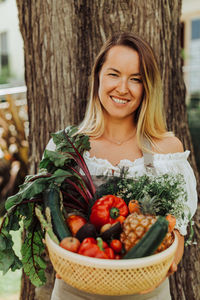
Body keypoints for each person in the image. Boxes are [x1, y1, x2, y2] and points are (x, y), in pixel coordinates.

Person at [47, 32, 197, 299]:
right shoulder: (66, 146)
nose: (123, 88)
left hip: (146, 291)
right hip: (76, 289)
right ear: (98, 78)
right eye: (114, 74)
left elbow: (177, 233)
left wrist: (166, 265)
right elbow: (50, 220)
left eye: (136, 79)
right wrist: (62, 256)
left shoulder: (167, 149)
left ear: (147, 87)